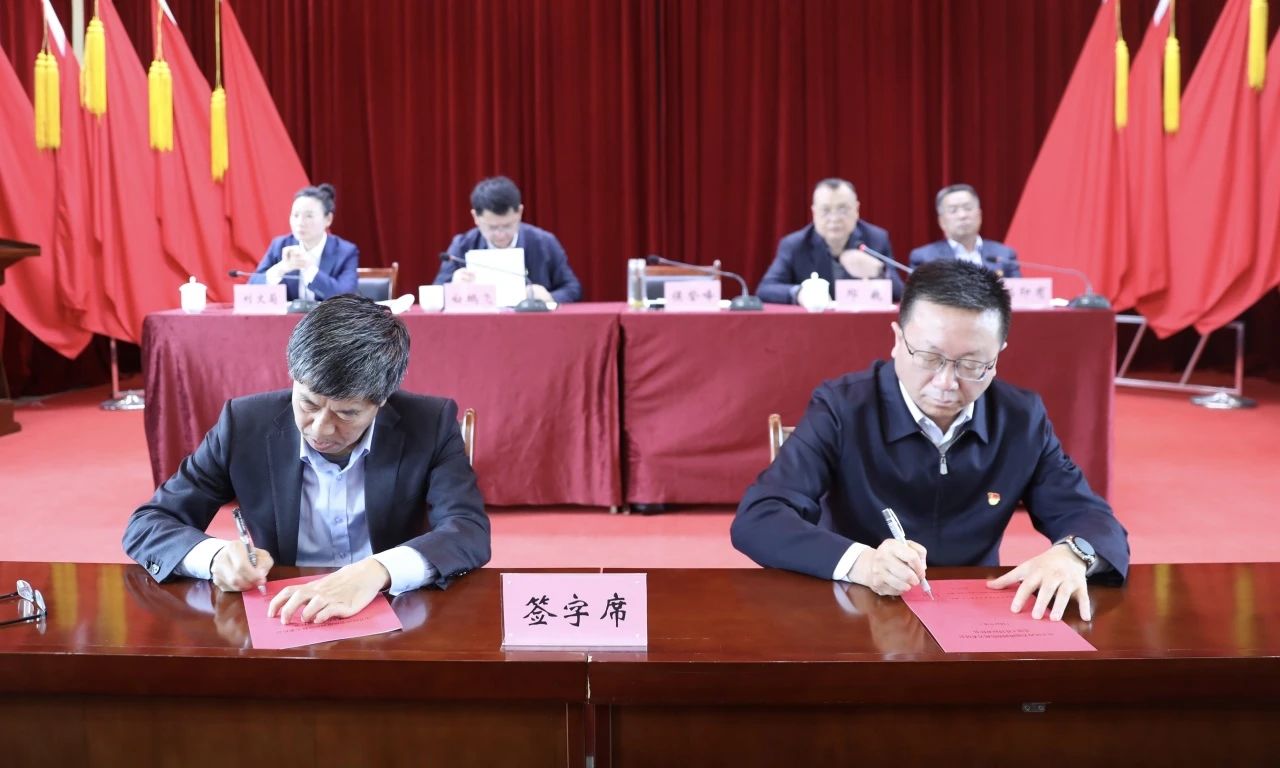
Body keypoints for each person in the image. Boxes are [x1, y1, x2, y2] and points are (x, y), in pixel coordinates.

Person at [732, 260, 1128, 622]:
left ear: (998, 355)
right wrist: (862, 563)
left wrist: (1074, 554)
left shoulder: (1020, 418)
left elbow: (1089, 516)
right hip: (859, 608)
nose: (946, 383)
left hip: (975, 614)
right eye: (928, 357)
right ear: (897, 339)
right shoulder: (842, 408)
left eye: (972, 364)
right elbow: (760, 517)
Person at [123, 295, 490, 624]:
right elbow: (149, 523)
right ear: (293, 378)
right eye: (308, 404)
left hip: (395, 612)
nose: (320, 428)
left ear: (381, 401)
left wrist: (377, 570)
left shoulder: (428, 423)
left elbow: (467, 530)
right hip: (284, 613)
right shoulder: (245, 424)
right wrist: (216, 556)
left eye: (347, 414)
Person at [434, 176, 582, 303]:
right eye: (492, 228)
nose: (501, 234)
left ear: (519, 212)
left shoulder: (544, 242)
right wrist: (453, 287)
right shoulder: (463, 245)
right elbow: (436, 293)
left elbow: (572, 288)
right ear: (476, 217)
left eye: (507, 226)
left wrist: (550, 297)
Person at [757, 178, 904, 304]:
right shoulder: (795, 244)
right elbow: (766, 289)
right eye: (826, 210)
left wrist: (879, 272)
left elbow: (900, 293)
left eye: (843, 209)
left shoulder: (875, 239)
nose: (834, 219)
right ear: (814, 213)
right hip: (814, 324)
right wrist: (799, 292)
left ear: (856, 210)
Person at [250, 183, 359, 301]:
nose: (300, 222)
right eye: (295, 215)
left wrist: (310, 269)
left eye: (309, 216)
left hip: (327, 314)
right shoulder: (279, 246)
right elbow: (251, 289)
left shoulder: (345, 252)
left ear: (328, 219)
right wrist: (280, 269)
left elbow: (346, 299)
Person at [908, 184, 1021, 277]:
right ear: (941, 221)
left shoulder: (1004, 255)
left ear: (979, 215)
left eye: (968, 208)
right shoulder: (925, 258)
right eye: (953, 210)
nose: (962, 215)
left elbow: (1018, 294)